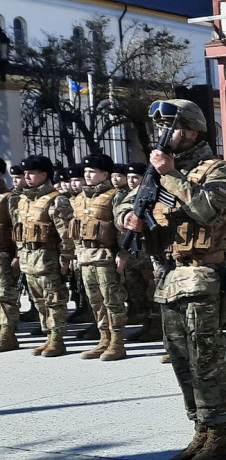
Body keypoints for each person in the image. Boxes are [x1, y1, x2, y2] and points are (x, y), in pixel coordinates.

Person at [116, 99, 226, 460]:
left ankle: (218, 438)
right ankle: (199, 430)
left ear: (193, 129)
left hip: (203, 276)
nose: (167, 134)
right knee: (182, 360)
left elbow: (209, 211)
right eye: (162, 127)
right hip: (168, 277)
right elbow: (127, 203)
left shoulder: (215, 170)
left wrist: (171, 175)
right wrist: (128, 219)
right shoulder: (156, 171)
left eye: (174, 126)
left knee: (206, 358)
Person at [71, 152, 129, 361]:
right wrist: (76, 255)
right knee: (95, 302)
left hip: (106, 256)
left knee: (112, 300)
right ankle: (104, 338)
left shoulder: (115, 196)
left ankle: (117, 342)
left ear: (104, 173)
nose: (87, 175)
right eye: (85, 171)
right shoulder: (78, 199)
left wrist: (123, 254)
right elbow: (75, 230)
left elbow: (122, 230)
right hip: (86, 257)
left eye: (92, 172)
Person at [14, 155, 74, 357]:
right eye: (25, 174)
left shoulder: (56, 200)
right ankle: (48, 337)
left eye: (31, 173)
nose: (27, 177)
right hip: (28, 259)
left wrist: (65, 259)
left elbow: (66, 234)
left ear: (44, 175)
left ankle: (58, 340)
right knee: (39, 302)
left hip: (48, 259)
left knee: (54, 300)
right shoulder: (23, 200)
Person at [121, 162, 162, 343]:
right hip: (136, 252)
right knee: (138, 291)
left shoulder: (158, 190)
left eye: (135, 178)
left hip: (151, 252)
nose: (131, 181)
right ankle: (147, 324)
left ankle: (156, 326)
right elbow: (120, 209)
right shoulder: (133, 196)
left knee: (153, 290)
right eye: (128, 178)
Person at [0, 159, 19, 351]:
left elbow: (18, 229)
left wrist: (18, 255)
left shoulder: (9, 198)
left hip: (3, 254)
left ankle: (7, 334)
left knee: (5, 296)